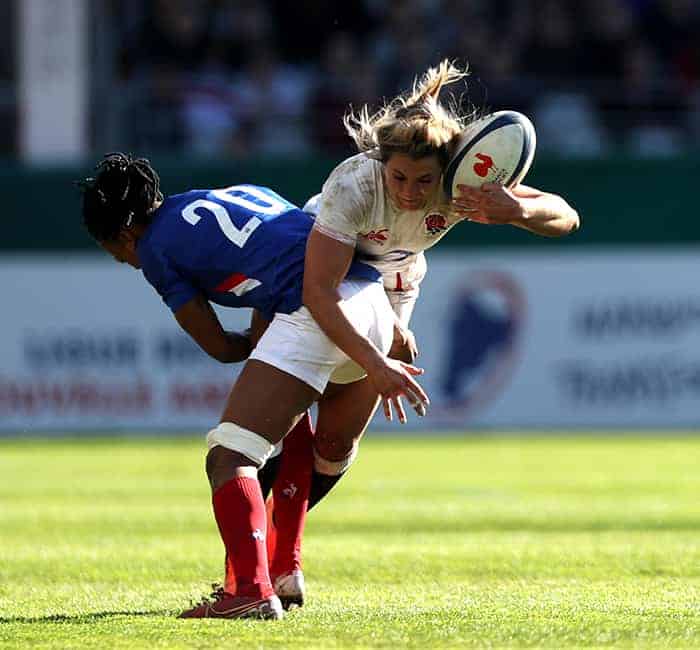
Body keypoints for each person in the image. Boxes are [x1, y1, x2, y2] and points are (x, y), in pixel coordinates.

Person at [256, 59, 580, 596]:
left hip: (394, 280)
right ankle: (275, 562)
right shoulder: (355, 183)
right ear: (381, 163)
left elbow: (567, 216)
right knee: (285, 414)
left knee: (335, 444)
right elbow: (321, 287)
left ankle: (272, 545)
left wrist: (514, 212)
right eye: (399, 176)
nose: (410, 191)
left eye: (423, 180)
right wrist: (378, 353)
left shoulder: (462, 184)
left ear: (445, 169)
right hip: (310, 268)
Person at [77, 153, 429, 620]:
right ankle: (283, 569)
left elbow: (220, 346)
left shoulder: (155, 249)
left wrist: (249, 342)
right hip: (371, 302)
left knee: (230, 454)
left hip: (321, 309)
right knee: (291, 426)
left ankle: (249, 591)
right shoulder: (232, 195)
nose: (125, 262)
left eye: (116, 252)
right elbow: (291, 251)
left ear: (124, 234)